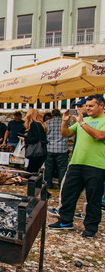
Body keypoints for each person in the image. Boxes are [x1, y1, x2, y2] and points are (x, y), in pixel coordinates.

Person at [49, 94, 105, 238]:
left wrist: (81, 123)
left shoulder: (99, 120)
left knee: (93, 198)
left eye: (91, 106)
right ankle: (65, 221)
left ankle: (91, 228)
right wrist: (64, 122)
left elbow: (99, 136)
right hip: (76, 162)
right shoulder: (84, 120)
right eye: (86, 106)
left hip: (96, 165)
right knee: (68, 193)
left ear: (101, 106)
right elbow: (65, 134)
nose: (87, 108)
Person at [44, 109, 69, 189]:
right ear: (60, 114)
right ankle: (61, 184)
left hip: (50, 147)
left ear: (52, 114)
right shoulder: (66, 123)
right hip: (62, 148)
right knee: (62, 168)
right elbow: (70, 133)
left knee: (49, 167)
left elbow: (44, 134)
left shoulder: (47, 123)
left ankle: (48, 184)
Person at [19, 109, 47, 173]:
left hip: (35, 151)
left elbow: (35, 138)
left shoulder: (34, 124)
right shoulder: (41, 125)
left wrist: (25, 139)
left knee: (31, 171)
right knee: (34, 170)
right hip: (42, 151)